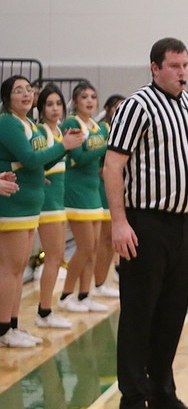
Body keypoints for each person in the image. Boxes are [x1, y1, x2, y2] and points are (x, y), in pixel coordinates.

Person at [103, 37, 188, 409]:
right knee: (140, 313)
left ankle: (161, 392)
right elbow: (112, 167)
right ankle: (132, 400)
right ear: (155, 67)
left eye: (186, 65)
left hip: (184, 224)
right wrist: (119, 222)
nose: (182, 73)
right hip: (145, 224)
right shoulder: (136, 107)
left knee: (172, 313)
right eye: (174, 66)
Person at [0, 75, 82, 349]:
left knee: (19, 267)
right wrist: (63, 147)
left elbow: (38, 163)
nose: (25, 94)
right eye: (18, 90)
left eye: (28, 90)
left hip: (30, 203)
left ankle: (13, 325)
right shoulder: (8, 123)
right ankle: (3, 330)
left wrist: (56, 155)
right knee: (9, 270)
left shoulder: (29, 125)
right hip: (13, 204)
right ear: (7, 98)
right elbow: (30, 158)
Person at [60, 82, 110, 315]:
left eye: (93, 96)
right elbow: (79, 157)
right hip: (76, 190)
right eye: (84, 97)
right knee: (85, 246)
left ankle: (85, 294)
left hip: (93, 190)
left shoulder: (98, 126)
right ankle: (65, 295)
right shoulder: (72, 123)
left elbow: (101, 160)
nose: (89, 100)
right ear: (75, 102)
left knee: (94, 247)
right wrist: (106, 147)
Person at [34, 84, 72, 331]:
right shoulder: (39, 131)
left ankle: (47, 310)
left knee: (57, 257)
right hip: (46, 203)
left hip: (59, 201)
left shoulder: (59, 131)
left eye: (58, 103)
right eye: (49, 104)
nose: (55, 108)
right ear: (41, 108)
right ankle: (43, 311)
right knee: (53, 258)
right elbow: (34, 161)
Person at [93, 93, 125, 298]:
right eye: (116, 107)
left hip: (117, 191)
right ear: (107, 109)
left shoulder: (121, 131)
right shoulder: (103, 130)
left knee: (108, 241)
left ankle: (102, 282)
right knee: (103, 241)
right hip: (101, 190)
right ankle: (96, 284)